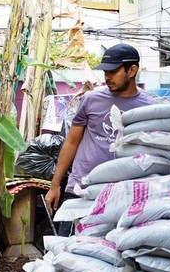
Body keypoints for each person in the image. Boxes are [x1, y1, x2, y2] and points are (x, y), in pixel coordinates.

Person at [44, 43, 157, 234]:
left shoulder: (150, 107)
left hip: (123, 193)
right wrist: (55, 185)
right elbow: (71, 142)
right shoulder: (90, 99)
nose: (107, 77)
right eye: (105, 72)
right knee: (68, 246)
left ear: (132, 71)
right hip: (81, 189)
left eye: (113, 71)